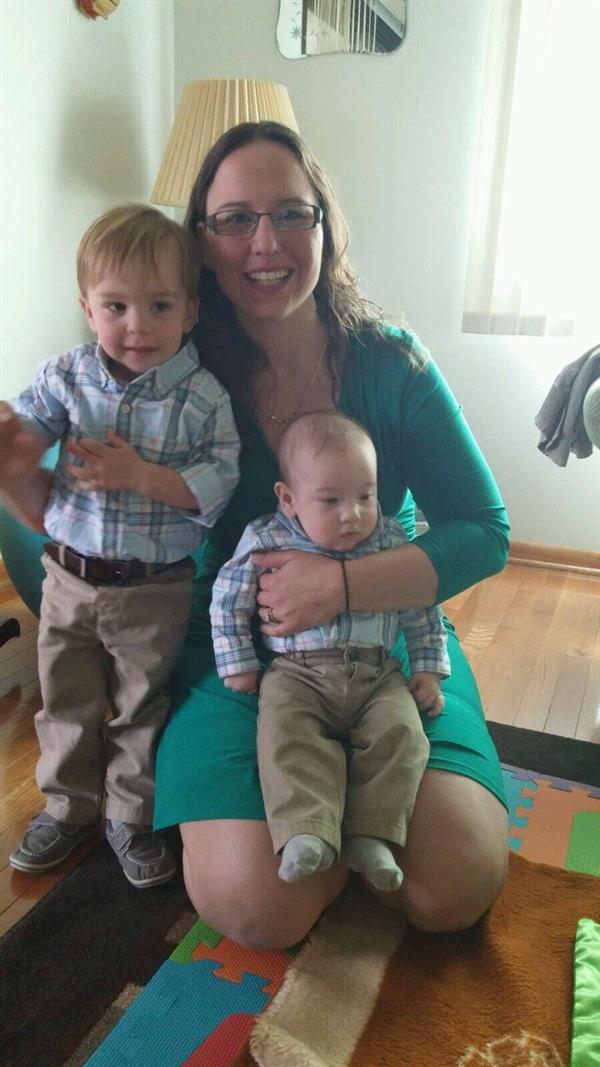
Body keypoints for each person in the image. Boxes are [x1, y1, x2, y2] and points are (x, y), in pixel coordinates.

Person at [1, 122, 510, 946]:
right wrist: (17, 470)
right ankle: (337, 813)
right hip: (232, 658)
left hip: (387, 645)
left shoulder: (391, 362)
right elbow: (76, 522)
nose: (265, 243)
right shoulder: (169, 365)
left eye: (290, 214)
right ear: (202, 241)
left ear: (324, 226)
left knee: (453, 887)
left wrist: (340, 586)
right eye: (236, 218)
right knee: (257, 908)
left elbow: (485, 530)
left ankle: (351, 805)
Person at [3, 204, 240, 888]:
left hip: (153, 588)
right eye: (116, 307)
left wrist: (140, 476)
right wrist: (14, 438)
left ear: (190, 311)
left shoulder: (202, 398)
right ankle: (69, 806)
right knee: (65, 698)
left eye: (159, 305)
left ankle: (130, 815)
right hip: (68, 578)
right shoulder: (67, 375)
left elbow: (218, 479)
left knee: (140, 704)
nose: (137, 326)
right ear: (88, 308)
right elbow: (30, 432)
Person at [210, 410, 449, 892]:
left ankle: (372, 833)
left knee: (402, 734)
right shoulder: (266, 537)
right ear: (289, 498)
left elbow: (421, 606)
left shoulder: (388, 539)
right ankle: (306, 831)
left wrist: (427, 668)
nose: (352, 514)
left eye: (365, 496)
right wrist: (238, 662)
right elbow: (228, 599)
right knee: (285, 736)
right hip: (295, 673)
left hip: (378, 673)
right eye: (331, 500)